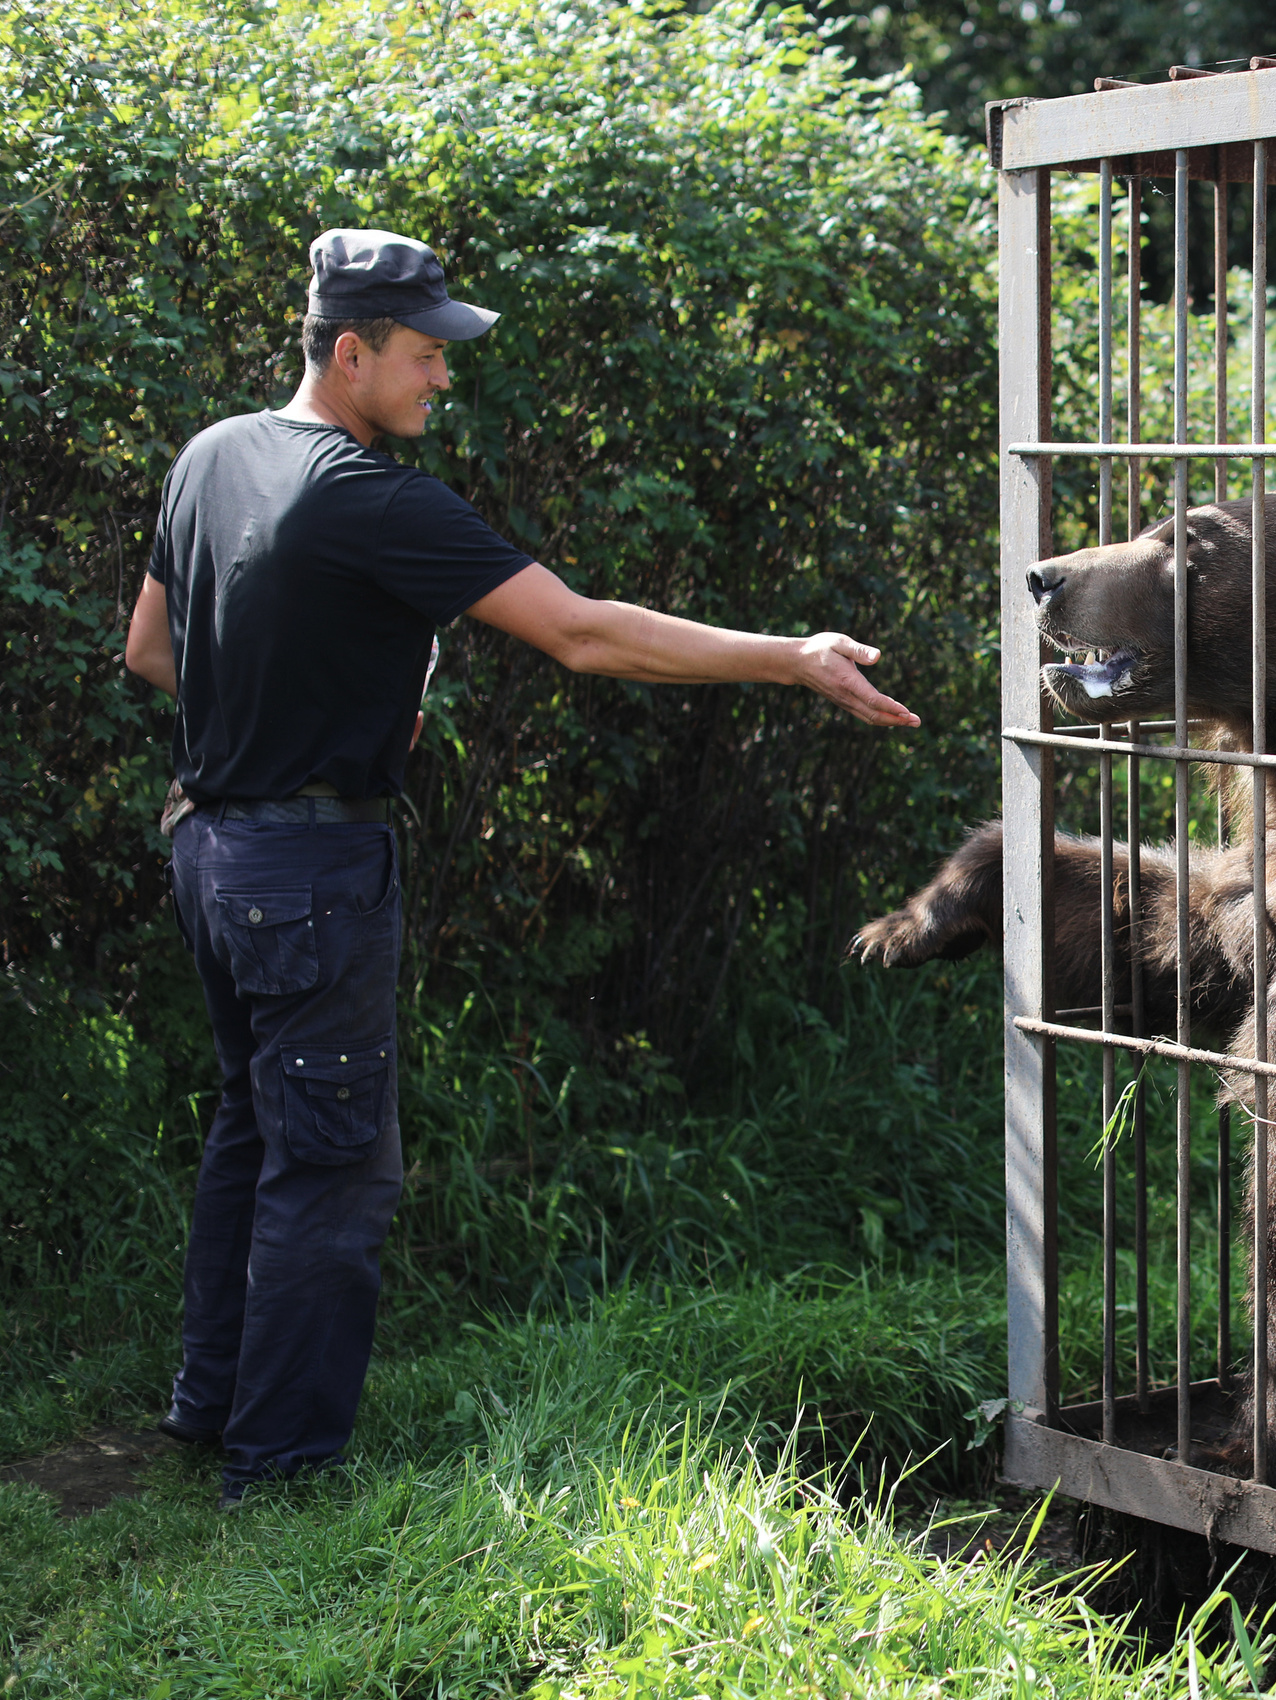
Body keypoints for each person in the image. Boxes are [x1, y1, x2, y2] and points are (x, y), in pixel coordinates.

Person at [121, 228, 919, 1508]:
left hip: (209, 851)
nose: (445, 378)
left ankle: (206, 1407)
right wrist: (791, 656)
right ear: (350, 350)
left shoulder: (214, 453)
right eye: (427, 354)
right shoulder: (366, 496)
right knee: (330, 1165)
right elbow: (586, 636)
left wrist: (302, 714)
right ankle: (276, 1475)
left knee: (250, 1131)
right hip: (312, 870)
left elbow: (153, 651)